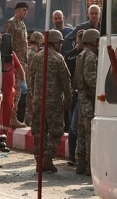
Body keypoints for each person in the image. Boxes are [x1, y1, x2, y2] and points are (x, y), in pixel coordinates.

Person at [28, 29, 72, 173]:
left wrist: (34, 97)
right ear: (54, 42)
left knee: (38, 132)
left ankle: (39, 160)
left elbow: (31, 79)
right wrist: (68, 99)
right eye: (59, 42)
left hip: (38, 101)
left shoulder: (37, 57)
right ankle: (47, 158)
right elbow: (66, 81)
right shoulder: (58, 58)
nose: (60, 45)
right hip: (53, 103)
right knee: (56, 130)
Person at [74, 28, 99, 176]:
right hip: (89, 98)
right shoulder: (90, 56)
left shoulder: (81, 55)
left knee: (81, 131)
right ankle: (89, 166)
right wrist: (100, 92)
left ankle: (81, 163)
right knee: (90, 132)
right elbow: (91, 78)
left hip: (82, 98)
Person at [2, 1, 29, 128]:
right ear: (17, 11)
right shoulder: (11, 23)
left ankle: (14, 116)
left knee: (18, 91)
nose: (26, 12)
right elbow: (6, 42)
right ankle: (12, 117)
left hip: (22, 62)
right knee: (15, 90)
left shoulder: (22, 25)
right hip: (13, 62)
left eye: (26, 10)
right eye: (23, 10)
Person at [63, 30, 85, 164]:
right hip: (73, 95)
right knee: (73, 125)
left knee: (79, 125)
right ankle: (72, 155)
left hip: (83, 95)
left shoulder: (91, 54)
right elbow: (66, 76)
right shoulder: (70, 55)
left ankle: (77, 155)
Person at [0, 47, 25, 139]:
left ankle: (3, 138)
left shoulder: (11, 54)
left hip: (9, 91)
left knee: (7, 115)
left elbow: (19, 68)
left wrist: (23, 81)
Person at [23, 31, 44, 126]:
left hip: (28, 80)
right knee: (30, 102)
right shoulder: (33, 54)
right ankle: (28, 120)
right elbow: (32, 69)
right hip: (30, 80)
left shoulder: (30, 52)